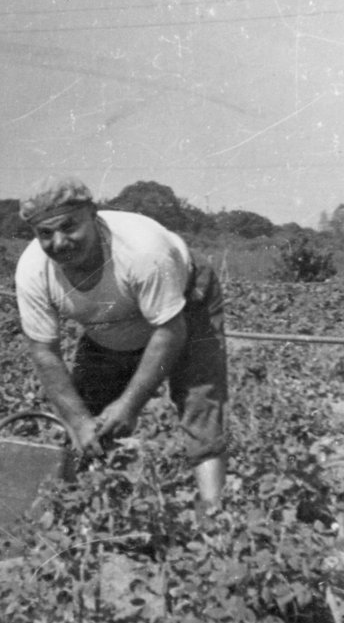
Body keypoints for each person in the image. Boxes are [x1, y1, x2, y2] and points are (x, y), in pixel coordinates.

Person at [14, 176, 228, 505]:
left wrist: (129, 405)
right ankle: (91, 504)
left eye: (69, 227)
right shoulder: (33, 271)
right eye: (45, 233)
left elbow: (170, 332)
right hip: (111, 320)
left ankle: (216, 515)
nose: (59, 242)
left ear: (94, 215)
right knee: (86, 409)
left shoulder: (143, 251)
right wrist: (79, 421)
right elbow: (44, 353)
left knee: (199, 395)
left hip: (185, 300)